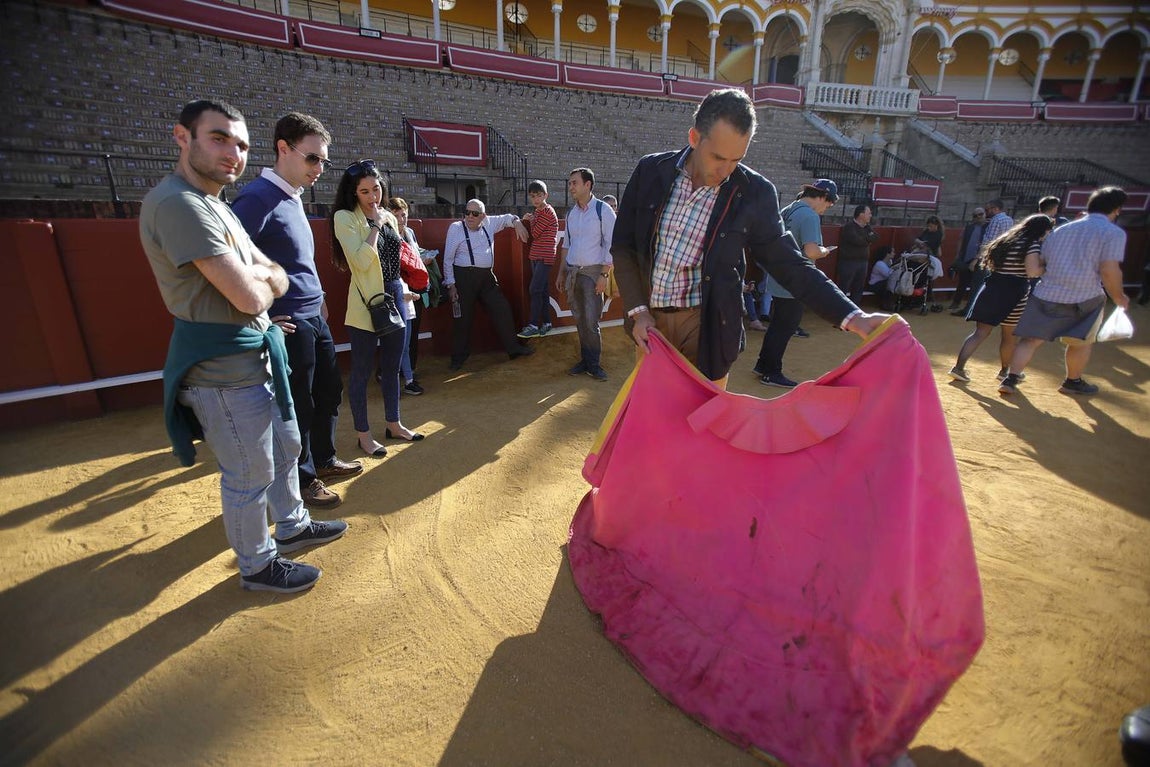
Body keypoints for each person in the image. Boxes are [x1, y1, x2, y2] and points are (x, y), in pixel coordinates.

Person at [141, 99, 347, 594]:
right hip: (222, 366)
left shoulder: (215, 204)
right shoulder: (180, 204)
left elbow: (274, 273)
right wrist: (265, 281)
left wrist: (265, 278)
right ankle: (257, 564)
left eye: (240, 144)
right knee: (249, 472)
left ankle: (292, 525)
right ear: (183, 137)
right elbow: (253, 293)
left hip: (254, 354)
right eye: (218, 139)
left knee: (286, 446)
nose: (232, 153)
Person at [611, 87, 886, 388]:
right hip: (651, 321)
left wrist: (852, 316)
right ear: (694, 138)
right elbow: (624, 246)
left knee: (708, 414)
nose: (726, 171)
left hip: (708, 324)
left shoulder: (754, 192)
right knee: (653, 409)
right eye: (718, 157)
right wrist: (638, 311)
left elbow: (789, 263)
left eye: (736, 159)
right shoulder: (651, 171)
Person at [232, 111, 362, 510]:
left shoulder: (291, 196)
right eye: (313, 158)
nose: (320, 168)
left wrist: (319, 295)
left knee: (328, 391)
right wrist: (259, 318)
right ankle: (303, 480)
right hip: (287, 322)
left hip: (312, 316)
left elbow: (297, 260)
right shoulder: (256, 198)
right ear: (283, 149)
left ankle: (323, 459)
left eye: (324, 160)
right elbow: (227, 264)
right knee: (298, 405)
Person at [330, 160, 424, 454]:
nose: (373, 196)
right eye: (365, 191)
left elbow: (395, 261)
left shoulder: (390, 218)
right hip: (365, 303)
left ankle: (394, 424)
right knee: (361, 371)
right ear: (353, 193)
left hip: (394, 296)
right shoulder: (345, 217)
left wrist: (405, 290)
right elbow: (360, 260)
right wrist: (374, 224)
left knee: (392, 367)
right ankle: (364, 434)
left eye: (377, 189)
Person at [999, 186, 1130, 396]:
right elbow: (1109, 269)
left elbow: (1043, 261)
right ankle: (1072, 381)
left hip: (1047, 293)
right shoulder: (1113, 233)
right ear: (1116, 209)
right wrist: (1119, 296)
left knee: (1030, 340)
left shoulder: (1061, 230)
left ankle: (1011, 379)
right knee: (1079, 343)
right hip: (1086, 296)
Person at [753, 179, 841, 387]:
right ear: (822, 197)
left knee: (777, 325)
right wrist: (825, 251)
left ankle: (763, 365)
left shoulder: (787, 210)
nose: (827, 208)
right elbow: (811, 251)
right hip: (796, 281)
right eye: (829, 203)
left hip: (778, 276)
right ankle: (771, 372)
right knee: (785, 327)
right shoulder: (809, 215)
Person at [948, 214, 1053, 384]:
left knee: (979, 333)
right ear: (1042, 230)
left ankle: (958, 368)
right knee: (1009, 337)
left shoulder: (1006, 240)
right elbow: (1033, 271)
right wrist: (1047, 267)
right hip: (1014, 292)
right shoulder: (1031, 244)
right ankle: (1005, 372)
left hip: (991, 287)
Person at [442, 198, 534, 370]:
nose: (469, 216)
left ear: (483, 216)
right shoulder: (456, 228)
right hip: (464, 278)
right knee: (463, 319)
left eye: (474, 213)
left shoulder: (489, 223)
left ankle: (513, 348)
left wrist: (517, 223)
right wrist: (451, 284)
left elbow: (508, 218)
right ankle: (458, 358)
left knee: (502, 309)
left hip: (486, 278)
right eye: (467, 212)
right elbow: (448, 259)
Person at [555, 167, 616, 381]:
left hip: (593, 273)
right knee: (580, 319)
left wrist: (604, 275)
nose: (570, 187)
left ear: (587, 185)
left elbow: (612, 243)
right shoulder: (571, 214)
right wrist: (561, 272)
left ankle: (594, 364)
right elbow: (567, 245)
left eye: (574, 183)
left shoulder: (603, 210)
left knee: (591, 321)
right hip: (573, 273)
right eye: (570, 183)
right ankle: (586, 360)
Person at [388, 196, 428, 395]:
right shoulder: (386, 235)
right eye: (396, 215)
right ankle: (391, 376)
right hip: (396, 292)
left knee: (410, 336)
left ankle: (408, 374)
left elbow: (415, 257)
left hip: (414, 291)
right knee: (396, 340)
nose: (401, 219)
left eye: (403, 215)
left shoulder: (410, 233)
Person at [517, 179, 559, 339]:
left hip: (544, 256)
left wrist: (530, 219)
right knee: (542, 291)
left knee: (535, 290)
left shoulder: (547, 211)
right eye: (533, 196)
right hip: (536, 255)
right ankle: (547, 323)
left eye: (539, 195)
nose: (536, 199)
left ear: (545, 195)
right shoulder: (539, 211)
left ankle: (534, 325)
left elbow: (535, 233)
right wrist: (531, 218)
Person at [837, 203, 877, 305]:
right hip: (849, 262)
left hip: (863, 262)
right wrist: (868, 239)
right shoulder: (849, 227)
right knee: (844, 286)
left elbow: (875, 237)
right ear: (861, 214)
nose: (870, 215)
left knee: (858, 287)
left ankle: (855, 308)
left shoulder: (867, 227)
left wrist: (867, 239)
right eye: (868, 213)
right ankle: (839, 308)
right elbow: (858, 241)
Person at [949, 207, 987, 314]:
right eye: (975, 215)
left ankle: (970, 307)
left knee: (975, 285)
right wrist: (958, 255)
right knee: (962, 282)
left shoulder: (988, 227)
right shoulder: (969, 227)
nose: (978, 217)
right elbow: (961, 240)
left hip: (979, 260)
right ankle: (956, 302)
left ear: (985, 214)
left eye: (980, 214)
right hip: (966, 258)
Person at [868, 245, 895, 310]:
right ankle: (884, 305)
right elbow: (888, 275)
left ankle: (889, 304)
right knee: (887, 284)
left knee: (889, 284)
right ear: (887, 254)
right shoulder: (880, 264)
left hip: (881, 285)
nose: (894, 254)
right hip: (874, 285)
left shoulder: (889, 262)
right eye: (893, 252)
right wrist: (894, 268)